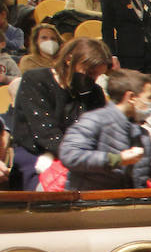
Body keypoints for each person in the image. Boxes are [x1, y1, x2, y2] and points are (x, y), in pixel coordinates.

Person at [59, 68, 151, 189]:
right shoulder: (94, 120)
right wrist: (116, 159)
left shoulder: (139, 133)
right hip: (93, 206)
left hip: (128, 205)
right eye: (148, 98)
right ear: (131, 97)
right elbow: (70, 155)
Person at [10, 36, 110, 190]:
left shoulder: (94, 92)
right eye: (89, 73)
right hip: (36, 154)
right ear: (69, 60)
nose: (93, 79)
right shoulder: (36, 80)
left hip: (81, 157)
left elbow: (100, 132)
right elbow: (45, 132)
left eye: (97, 76)